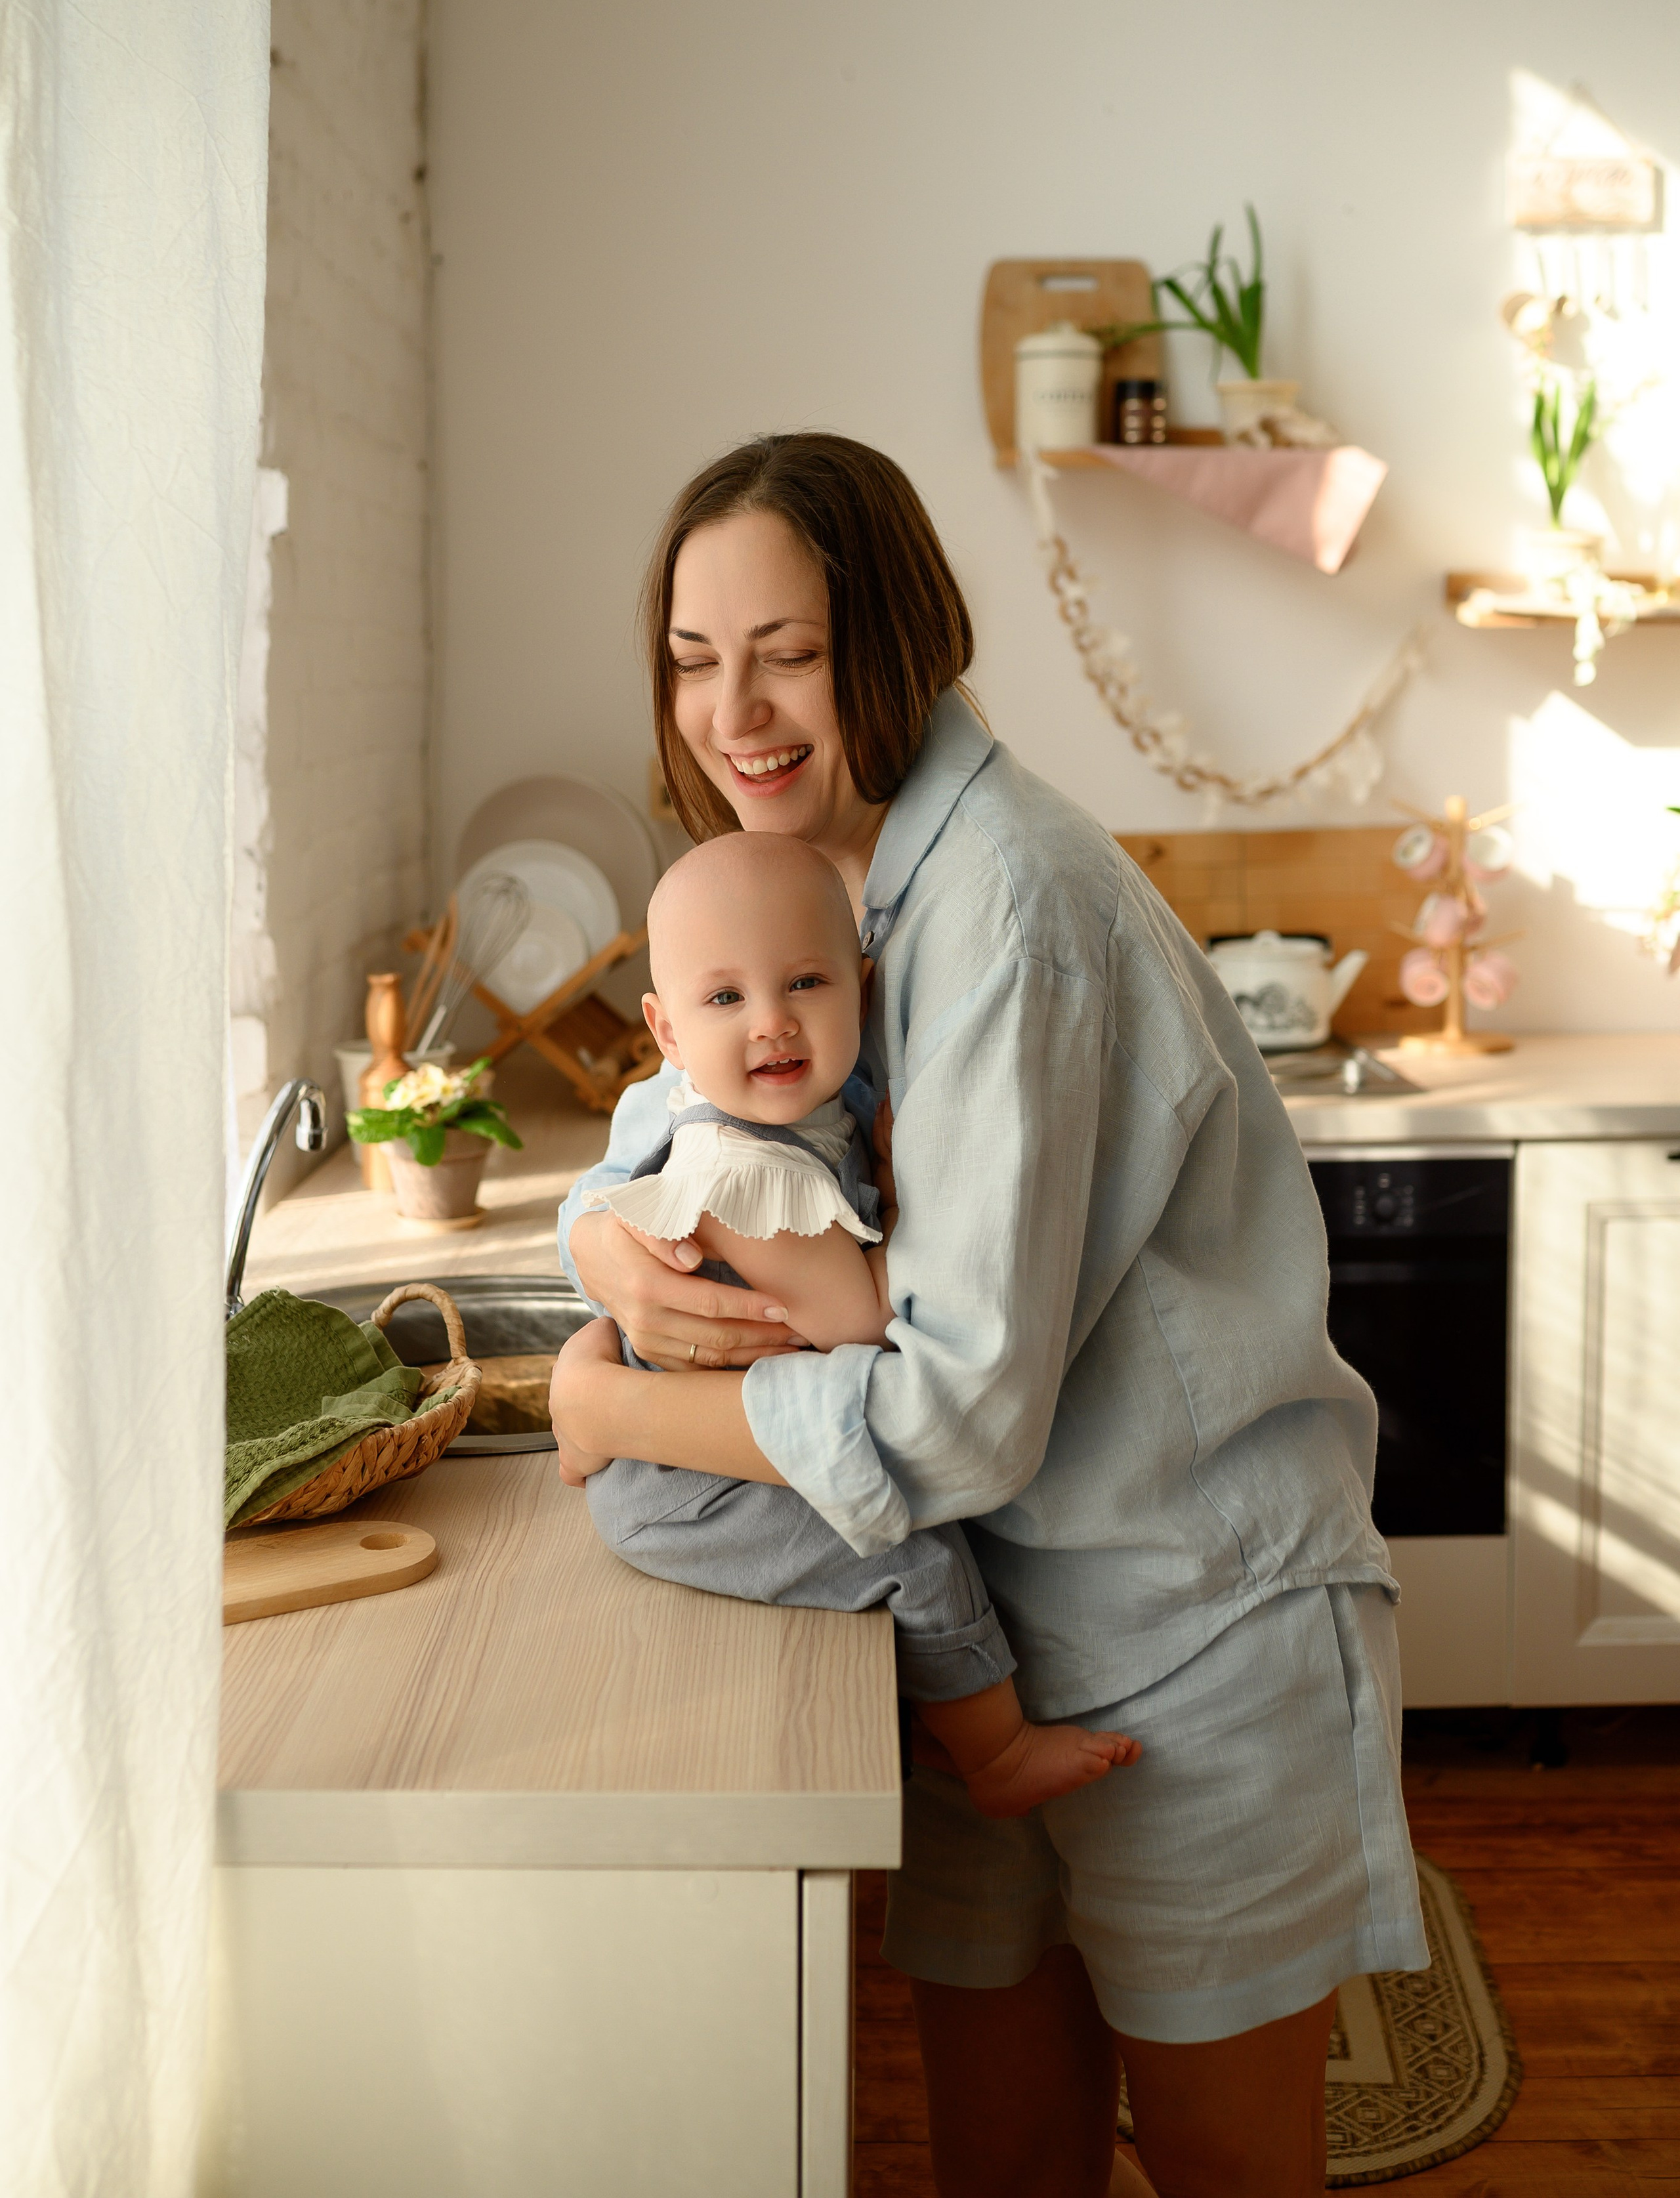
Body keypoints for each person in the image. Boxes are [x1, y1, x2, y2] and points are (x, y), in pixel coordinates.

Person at [553, 433, 1426, 2198]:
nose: (737, 710)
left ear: (897, 635)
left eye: (786, 649)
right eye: (694, 656)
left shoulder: (1007, 907)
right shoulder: (828, 876)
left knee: (1223, 2170)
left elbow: (953, 1412)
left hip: (1192, 1631)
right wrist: (595, 1249)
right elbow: (680, 1119)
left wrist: (624, 1413)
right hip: (986, 1635)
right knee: (1004, 2161)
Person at [566, 828, 1142, 1817]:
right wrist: (913, 1198)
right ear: (666, 1034)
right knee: (912, 1555)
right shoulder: (743, 1176)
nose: (772, 1025)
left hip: (710, 1449)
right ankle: (995, 1757)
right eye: (725, 998)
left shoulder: (798, 1112)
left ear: (861, 990)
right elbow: (860, 1324)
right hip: (690, 1488)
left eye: (805, 984)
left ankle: (947, 1720)